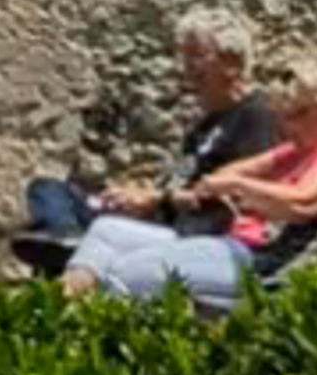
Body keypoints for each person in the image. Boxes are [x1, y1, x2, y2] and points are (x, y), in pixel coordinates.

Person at [59, 49, 317, 308]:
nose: (288, 127)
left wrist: (239, 188)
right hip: (236, 246)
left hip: (261, 263)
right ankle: (58, 314)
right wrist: (232, 185)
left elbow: (302, 202)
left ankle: (90, 347)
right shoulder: (295, 150)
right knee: (107, 232)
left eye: (298, 115)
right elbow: (228, 174)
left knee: (129, 272)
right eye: (283, 116)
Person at [23, 18, 276, 253]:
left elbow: (240, 196)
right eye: (184, 57)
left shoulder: (255, 115)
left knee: (68, 227)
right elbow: (178, 184)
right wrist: (135, 195)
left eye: (196, 56)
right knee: (48, 190)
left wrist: (155, 199)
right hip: (156, 219)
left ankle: (72, 249)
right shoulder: (203, 127)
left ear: (231, 64)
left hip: (191, 232)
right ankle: (69, 241)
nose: (187, 68)